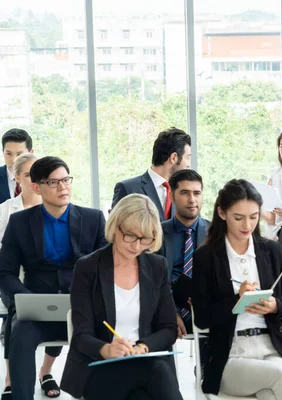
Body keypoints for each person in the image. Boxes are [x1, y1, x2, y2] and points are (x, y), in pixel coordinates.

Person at [0, 156, 107, 400]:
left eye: (66, 180)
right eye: (54, 183)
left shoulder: (93, 219)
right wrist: (24, 301)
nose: (63, 187)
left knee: (103, 337)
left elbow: (106, 268)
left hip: (83, 310)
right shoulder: (19, 222)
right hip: (36, 310)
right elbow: (5, 272)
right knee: (19, 335)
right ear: (36, 187)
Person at [192, 179, 282, 399]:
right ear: (222, 213)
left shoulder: (270, 250)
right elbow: (202, 319)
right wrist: (236, 300)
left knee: (272, 392)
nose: (247, 225)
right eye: (239, 218)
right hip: (231, 355)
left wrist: (276, 306)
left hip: (271, 348)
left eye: (254, 217)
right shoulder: (206, 257)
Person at [61, 194, 182, 400]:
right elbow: (81, 335)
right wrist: (106, 349)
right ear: (115, 227)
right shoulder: (88, 267)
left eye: (145, 239)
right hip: (99, 367)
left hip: (144, 363)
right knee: (156, 371)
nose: (136, 246)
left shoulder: (156, 266)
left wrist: (143, 346)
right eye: (130, 236)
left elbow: (169, 328)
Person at [0, 154, 60, 399]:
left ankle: (45, 371)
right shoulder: (8, 212)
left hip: (49, 284)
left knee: (57, 309)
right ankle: (11, 378)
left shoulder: (58, 208)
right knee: (14, 326)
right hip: (17, 280)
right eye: (27, 174)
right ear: (19, 178)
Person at [159, 169, 210, 374]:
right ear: (172, 195)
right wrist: (169, 311)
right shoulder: (157, 233)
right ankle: (163, 380)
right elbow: (151, 281)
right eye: (185, 193)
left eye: (197, 193)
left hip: (202, 303)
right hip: (166, 301)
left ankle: (208, 371)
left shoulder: (215, 232)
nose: (192, 199)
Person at [111, 127, 192, 221]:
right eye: (187, 157)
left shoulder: (180, 191)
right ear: (174, 157)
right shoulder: (128, 189)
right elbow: (114, 230)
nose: (188, 164)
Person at [0, 129, 33, 204]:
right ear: (3, 152)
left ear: (31, 153)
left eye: (19, 154)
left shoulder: (41, 178)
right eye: (9, 154)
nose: (14, 160)